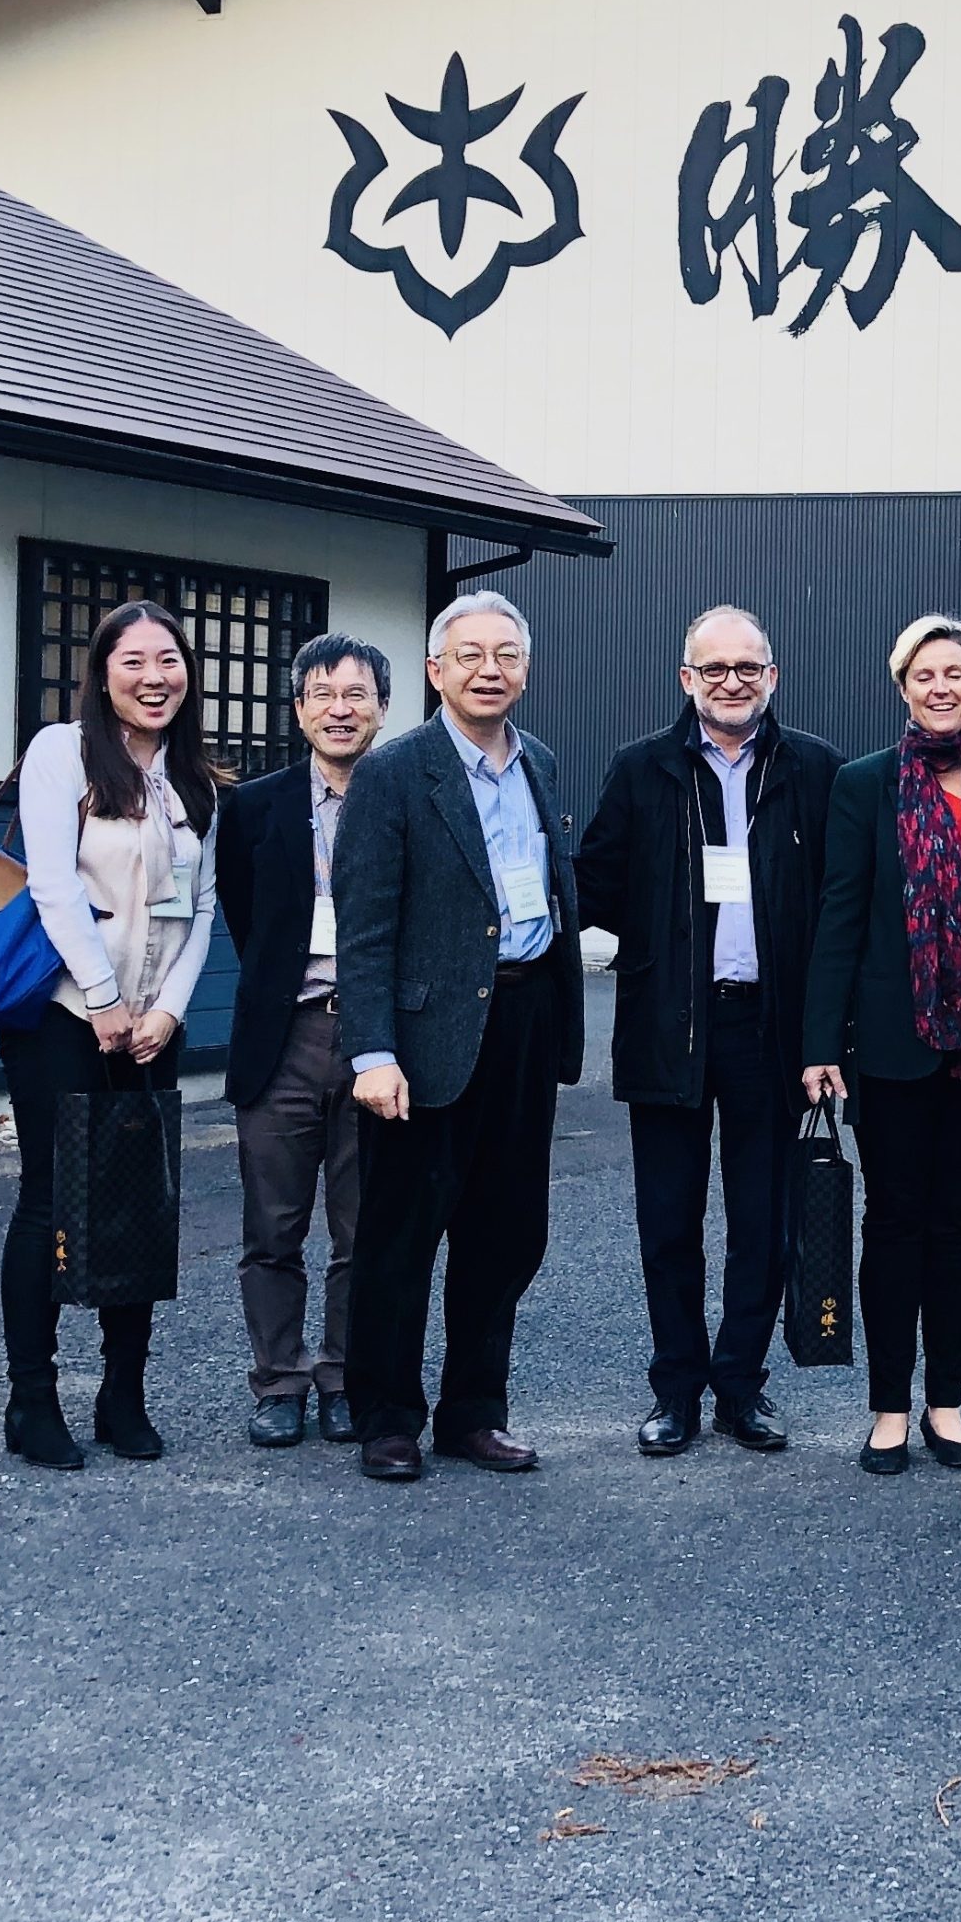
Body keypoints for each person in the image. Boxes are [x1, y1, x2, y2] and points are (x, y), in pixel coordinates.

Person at [577, 606, 841, 1459]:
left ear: (773, 676)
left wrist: (827, 1036)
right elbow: (595, 884)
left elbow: (840, 906)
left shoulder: (814, 770)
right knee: (669, 1222)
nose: (732, 682)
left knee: (764, 1223)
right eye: (715, 668)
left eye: (748, 668)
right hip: (670, 1023)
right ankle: (676, 1390)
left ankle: (740, 1385)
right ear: (686, 678)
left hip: (770, 1030)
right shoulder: (642, 768)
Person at [335, 591, 583, 1483]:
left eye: (506, 654)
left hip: (522, 1019)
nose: (490, 670)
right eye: (470, 654)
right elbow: (364, 926)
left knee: (506, 1233)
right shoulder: (394, 773)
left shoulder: (539, 762)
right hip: (423, 1035)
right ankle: (387, 1417)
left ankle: (475, 1412)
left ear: (526, 669)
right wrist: (372, 1052)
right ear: (436, 670)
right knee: (400, 1237)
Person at [802, 615, 961, 1474]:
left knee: (958, 1225)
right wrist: (820, 1043)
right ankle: (889, 1409)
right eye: (924, 675)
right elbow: (840, 914)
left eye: (954, 673)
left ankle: (947, 1403)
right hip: (893, 1042)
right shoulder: (865, 783)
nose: (940, 687)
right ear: (902, 687)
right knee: (892, 1221)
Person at [0, 600, 224, 1470]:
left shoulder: (194, 779)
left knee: (139, 1203)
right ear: (101, 673)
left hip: (151, 1027)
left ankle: (122, 1395)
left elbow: (198, 909)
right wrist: (101, 997)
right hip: (64, 1018)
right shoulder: (62, 752)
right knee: (49, 1201)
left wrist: (167, 1010)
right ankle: (32, 1400)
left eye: (169, 661)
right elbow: (54, 885)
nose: (154, 678)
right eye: (133, 661)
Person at [213, 632, 390, 1450]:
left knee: (365, 1226)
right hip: (284, 1034)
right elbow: (245, 916)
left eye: (356, 695)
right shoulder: (254, 806)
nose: (339, 710)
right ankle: (278, 1381)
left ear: (382, 708)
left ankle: (346, 1376)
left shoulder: (402, 794)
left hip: (378, 1040)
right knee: (272, 1227)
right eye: (322, 694)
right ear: (298, 709)